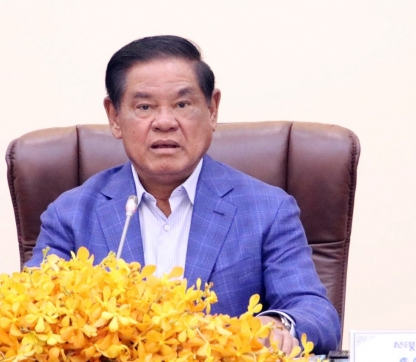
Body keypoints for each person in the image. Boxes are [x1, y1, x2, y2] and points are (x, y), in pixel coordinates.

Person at [26, 35, 341, 355]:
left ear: (212, 110)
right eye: (144, 107)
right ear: (114, 117)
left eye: (182, 104)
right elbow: (33, 310)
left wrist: (278, 325)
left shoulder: (267, 209)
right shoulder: (71, 215)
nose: (165, 122)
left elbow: (317, 314)